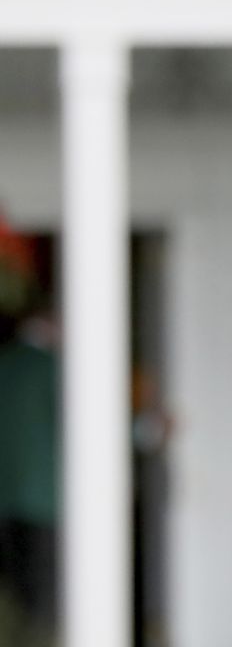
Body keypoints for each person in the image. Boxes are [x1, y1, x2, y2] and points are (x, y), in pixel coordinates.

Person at [0, 212, 58, 645]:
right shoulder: (56, 369)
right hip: (47, 502)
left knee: (16, 590)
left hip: (7, 498)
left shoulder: (6, 364)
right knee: (45, 598)